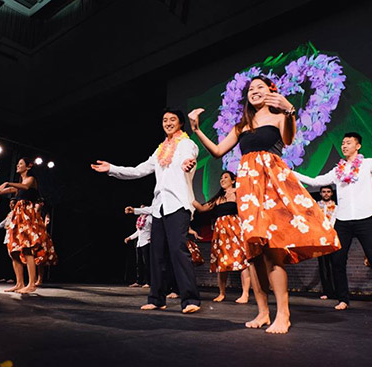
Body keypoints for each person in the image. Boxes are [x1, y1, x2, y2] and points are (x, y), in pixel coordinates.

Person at [189, 75, 340, 333]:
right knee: (254, 253)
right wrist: (197, 129)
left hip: (273, 185)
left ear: (271, 91)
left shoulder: (280, 116)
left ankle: (284, 314)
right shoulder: (241, 126)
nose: (254, 91)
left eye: (260, 87)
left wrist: (289, 110)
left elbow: (290, 139)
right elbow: (217, 151)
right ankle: (262, 313)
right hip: (248, 189)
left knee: (273, 251)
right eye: (251, 89)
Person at [92, 109, 201, 314]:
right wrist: (112, 169)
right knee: (156, 254)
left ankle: (191, 299)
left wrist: (188, 163)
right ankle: (157, 298)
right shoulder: (160, 149)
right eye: (164, 120)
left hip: (178, 205)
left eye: (172, 120)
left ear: (180, 124)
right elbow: (139, 170)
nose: (168, 123)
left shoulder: (186, 143)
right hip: (159, 208)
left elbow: (190, 156)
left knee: (178, 251)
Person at [292, 132, 372, 314]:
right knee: (338, 261)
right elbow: (316, 181)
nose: (343, 146)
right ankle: (343, 299)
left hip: (364, 218)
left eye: (348, 143)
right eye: (342, 143)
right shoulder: (337, 170)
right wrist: (291, 173)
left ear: (358, 146)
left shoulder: (368, 164)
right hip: (342, 220)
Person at [0, 158, 57, 293]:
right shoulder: (18, 185)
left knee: (27, 248)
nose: (17, 165)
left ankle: (32, 284)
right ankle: (19, 283)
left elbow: (26, 187)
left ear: (28, 167)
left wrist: (8, 182)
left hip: (27, 215)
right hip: (17, 216)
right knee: (14, 251)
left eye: (20, 164)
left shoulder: (30, 179)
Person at [192, 170, 251, 303]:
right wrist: (189, 197)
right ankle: (222, 293)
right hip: (220, 233)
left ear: (233, 180)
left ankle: (245, 294)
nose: (222, 180)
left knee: (242, 261)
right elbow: (202, 209)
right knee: (222, 262)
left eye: (225, 177)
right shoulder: (219, 198)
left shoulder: (238, 192)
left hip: (235, 229)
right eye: (221, 178)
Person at [316, 185, 337, 300]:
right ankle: (327, 291)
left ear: (332, 193)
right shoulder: (315, 206)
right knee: (323, 265)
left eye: (328, 192)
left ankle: (338, 290)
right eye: (324, 192)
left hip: (333, 238)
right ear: (320, 193)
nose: (326, 194)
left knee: (336, 264)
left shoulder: (337, 207)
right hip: (321, 238)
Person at [124, 205, 152, 288]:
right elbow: (138, 232)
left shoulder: (150, 218)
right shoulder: (140, 219)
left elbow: (155, 228)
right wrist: (129, 237)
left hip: (147, 242)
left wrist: (152, 237)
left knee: (147, 263)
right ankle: (139, 281)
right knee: (139, 263)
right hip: (140, 243)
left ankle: (149, 281)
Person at [0, 198, 18, 283]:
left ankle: (12, 277)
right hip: (7, 237)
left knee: (13, 257)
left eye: (12, 203)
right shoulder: (9, 214)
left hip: (14, 237)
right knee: (5, 257)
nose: (10, 205)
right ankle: (5, 275)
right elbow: (3, 223)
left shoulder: (18, 213)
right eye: (10, 203)